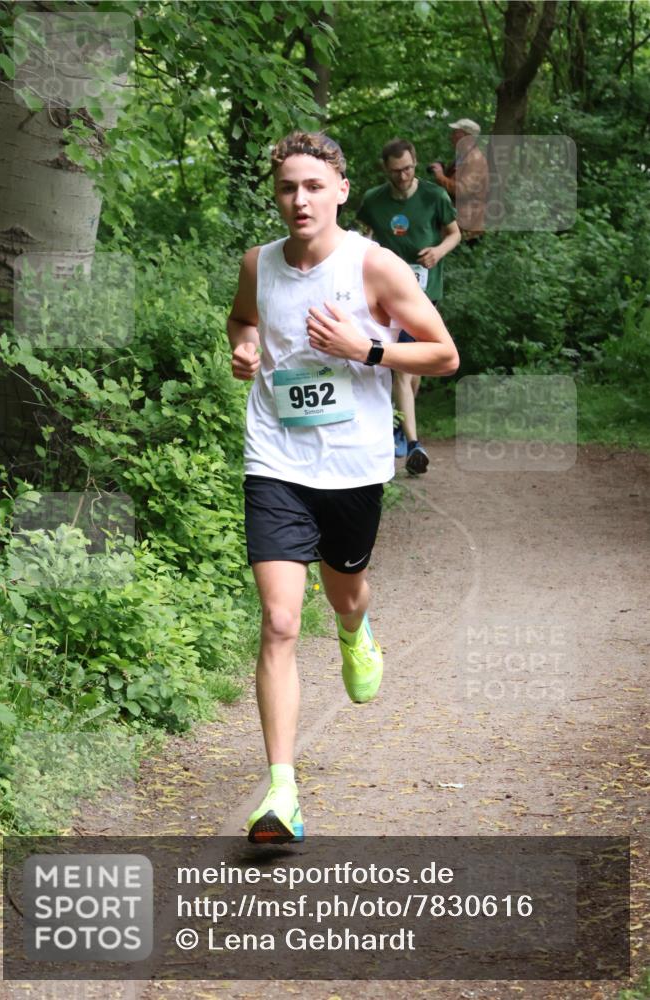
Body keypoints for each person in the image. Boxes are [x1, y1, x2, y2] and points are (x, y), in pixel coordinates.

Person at [227, 131, 459, 844]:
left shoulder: (375, 267)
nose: (299, 199)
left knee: (344, 591)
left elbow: (443, 353)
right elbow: (242, 319)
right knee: (279, 622)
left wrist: (365, 349)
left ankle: (356, 631)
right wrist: (240, 343)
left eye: (312, 187)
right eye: (288, 187)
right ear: (277, 193)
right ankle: (281, 794)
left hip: (353, 465)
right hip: (275, 460)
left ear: (340, 191)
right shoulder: (258, 264)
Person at [356, 138, 460, 475]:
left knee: (411, 371)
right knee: (402, 368)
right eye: (395, 171)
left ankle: (400, 425)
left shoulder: (434, 196)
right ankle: (414, 444)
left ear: (415, 162)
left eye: (408, 169)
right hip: (387, 295)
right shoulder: (374, 200)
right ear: (384, 170)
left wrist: (437, 252)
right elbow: (364, 237)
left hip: (425, 293)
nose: (402, 176)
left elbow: (454, 233)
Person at [430, 118, 489, 245]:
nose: (452, 136)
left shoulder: (475, 159)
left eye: (456, 132)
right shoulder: (464, 156)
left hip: (468, 226)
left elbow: (462, 190)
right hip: (458, 221)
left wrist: (440, 176)